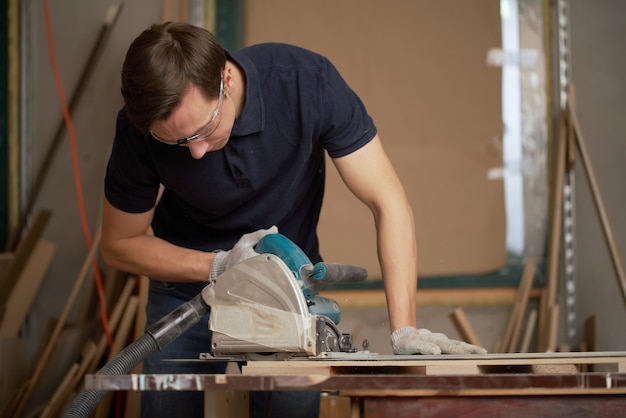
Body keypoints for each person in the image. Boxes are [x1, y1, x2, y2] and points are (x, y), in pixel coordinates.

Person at [101, 21, 486, 418]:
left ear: (226, 81)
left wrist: (404, 328)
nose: (196, 153)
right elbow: (119, 244)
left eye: (204, 129)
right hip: (188, 291)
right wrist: (217, 266)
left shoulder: (306, 84)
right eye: (177, 142)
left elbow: (388, 201)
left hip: (290, 297)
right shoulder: (137, 130)